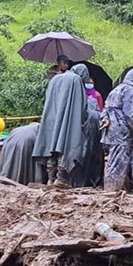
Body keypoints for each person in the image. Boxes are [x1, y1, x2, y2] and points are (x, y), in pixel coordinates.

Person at [32, 57, 90, 186]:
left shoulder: (55, 79)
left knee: (51, 146)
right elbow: (81, 106)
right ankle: (61, 178)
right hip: (67, 120)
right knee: (65, 144)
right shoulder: (75, 80)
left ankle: (50, 178)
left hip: (52, 120)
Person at [101, 68, 133, 192]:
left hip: (113, 133)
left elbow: (105, 110)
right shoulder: (130, 91)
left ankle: (110, 189)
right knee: (118, 165)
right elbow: (131, 114)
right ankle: (112, 192)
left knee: (113, 163)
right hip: (123, 133)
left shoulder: (115, 90)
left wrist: (105, 119)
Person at [72, 96, 104, 188]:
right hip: (96, 147)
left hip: (82, 144)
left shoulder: (78, 114)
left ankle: (78, 184)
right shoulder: (98, 115)